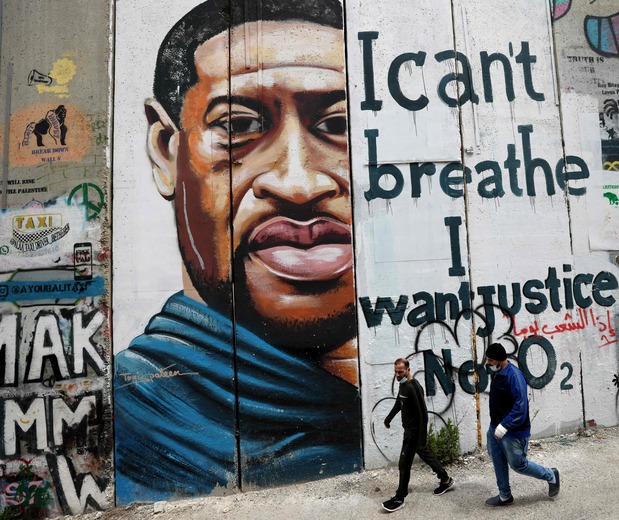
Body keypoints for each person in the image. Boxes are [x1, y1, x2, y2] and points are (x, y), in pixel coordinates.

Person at [113, 0, 361, 504]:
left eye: (338, 124)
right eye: (238, 126)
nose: (299, 183)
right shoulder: (121, 429)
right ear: (166, 150)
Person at [483, 343, 559, 506]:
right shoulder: (497, 373)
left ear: (499, 361)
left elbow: (521, 406)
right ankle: (505, 495)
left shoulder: (514, 376)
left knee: (519, 465)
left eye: (490, 360)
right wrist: (496, 427)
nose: (488, 363)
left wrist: (504, 426)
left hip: (512, 432)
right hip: (495, 428)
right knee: (497, 460)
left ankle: (551, 475)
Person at [382, 358, 454, 512]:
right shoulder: (402, 386)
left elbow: (423, 413)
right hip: (408, 431)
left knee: (404, 464)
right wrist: (388, 419)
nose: (397, 374)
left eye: (400, 372)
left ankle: (400, 497)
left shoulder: (413, 387)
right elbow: (398, 403)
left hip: (413, 434)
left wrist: (421, 437)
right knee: (426, 455)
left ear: (408, 370)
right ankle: (446, 480)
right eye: (395, 371)